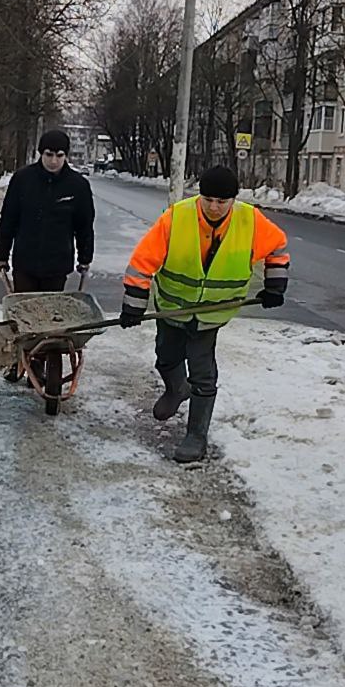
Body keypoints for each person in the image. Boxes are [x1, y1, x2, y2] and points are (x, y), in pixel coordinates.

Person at [120, 165, 289, 464]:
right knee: (166, 356)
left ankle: (196, 435)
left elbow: (276, 247)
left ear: (233, 201)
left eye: (221, 201)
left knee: (202, 370)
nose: (213, 207)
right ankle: (176, 389)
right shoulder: (178, 217)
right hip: (172, 307)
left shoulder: (249, 220)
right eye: (207, 199)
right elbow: (142, 261)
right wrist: (133, 306)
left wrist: (275, 284)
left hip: (212, 313)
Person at [0, 129, 95, 292]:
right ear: (41, 153)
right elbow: (8, 220)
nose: (54, 161)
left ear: (66, 156)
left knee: (51, 312)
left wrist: (85, 257)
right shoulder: (22, 179)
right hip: (25, 262)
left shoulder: (77, 186)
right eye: (49, 154)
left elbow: (84, 226)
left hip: (57, 265)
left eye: (59, 155)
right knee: (24, 310)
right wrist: (1, 254)